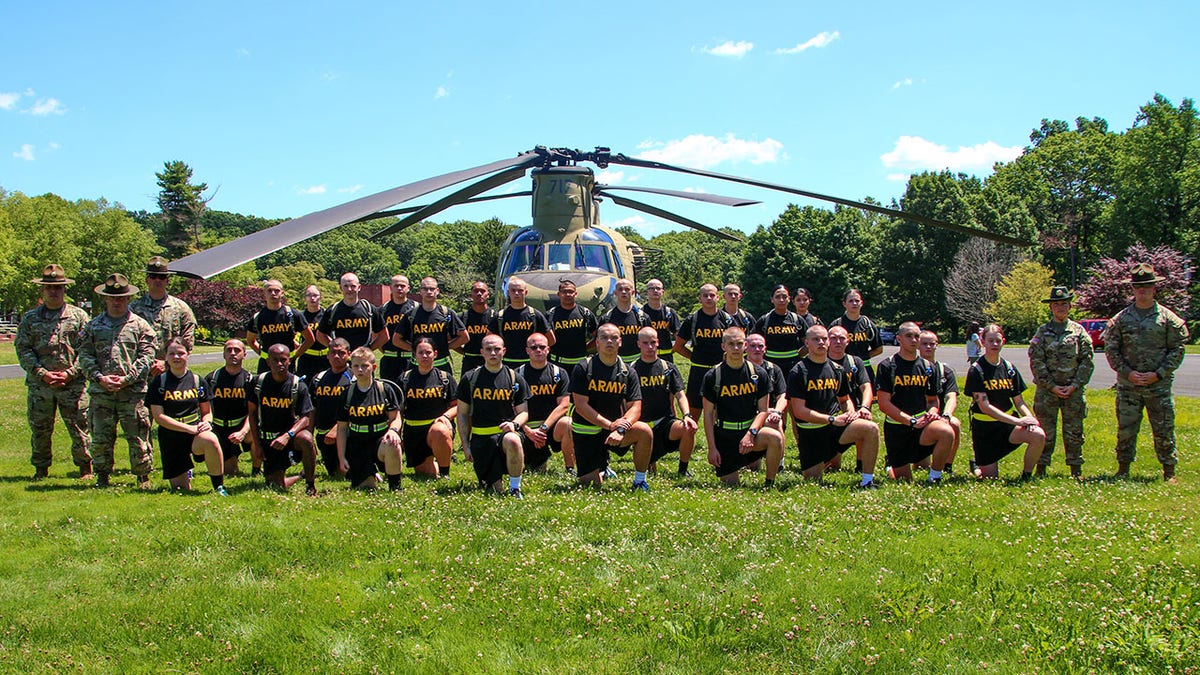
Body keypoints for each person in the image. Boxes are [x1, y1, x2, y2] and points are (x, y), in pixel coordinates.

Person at [1105, 263, 1189, 482]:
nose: (1142, 290)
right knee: (1126, 429)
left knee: (1163, 429)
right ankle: (1123, 469)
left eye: (1147, 286)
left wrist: (1159, 373)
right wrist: (1127, 372)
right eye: (1138, 286)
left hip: (1158, 386)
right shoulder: (1121, 319)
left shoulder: (1168, 319)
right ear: (1132, 289)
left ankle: (1169, 470)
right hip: (1128, 386)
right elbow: (1112, 349)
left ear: (1154, 288)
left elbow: (1177, 349)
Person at [78, 273, 157, 488]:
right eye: (113, 298)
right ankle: (102, 476)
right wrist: (99, 377)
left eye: (121, 298)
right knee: (101, 437)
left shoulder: (141, 326)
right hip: (101, 392)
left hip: (132, 393)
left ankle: (143, 477)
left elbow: (147, 356)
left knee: (139, 435)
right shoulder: (93, 326)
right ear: (105, 298)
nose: (117, 301)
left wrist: (127, 379)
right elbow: (84, 355)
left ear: (128, 299)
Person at [16, 264, 93, 480]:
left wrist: (71, 373)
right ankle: (41, 469)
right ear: (42, 290)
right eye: (49, 287)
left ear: (64, 289)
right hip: (41, 385)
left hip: (73, 384)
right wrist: (42, 373)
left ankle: (86, 468)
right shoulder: (31, 319)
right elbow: (23, 349)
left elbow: (87, 350)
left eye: (58, 287)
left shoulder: (79, 317)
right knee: (40, 429)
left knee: (80, 427)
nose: (53, 291)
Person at [787, 325, 880, 488]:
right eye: (816, 339)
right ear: (807, 343)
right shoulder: (798, 371)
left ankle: (867, 481)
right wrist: (831, 419)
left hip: (833, 428)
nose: (821, 342)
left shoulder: (837, 370)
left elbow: (844, 399)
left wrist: (850, 413)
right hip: (811, 433)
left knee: (871, 428)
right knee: (813, 482)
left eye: (824, 339)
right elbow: (799, 411)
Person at [570, 324, 653, 488]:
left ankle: (640, 481)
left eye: (614, 338)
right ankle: (601, 466)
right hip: (587, 429)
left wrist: (621, 429)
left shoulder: (628, 372)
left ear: (620, 342)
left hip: (616, 431)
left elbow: (636, 406)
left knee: (645, 431)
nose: (610, 341)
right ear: (597, 343)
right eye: (604, 338)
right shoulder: (584, 368)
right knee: (590, 485)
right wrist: (609, 425)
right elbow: (580, 405)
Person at [702, 327, 784, 486]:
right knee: (731, 485)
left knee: (775, 437)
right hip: (725, 436)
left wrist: (751, 433)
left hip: (750, 432)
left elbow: (763, 411)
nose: (736, 348)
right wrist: (712, 448)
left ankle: (769, 483)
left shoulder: (758, 374)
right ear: (723, 346)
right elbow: (708, 414)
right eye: (731, 344)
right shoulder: (713, 376)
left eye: (739, 344)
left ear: (745, 345)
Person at [875, 323, 956, 483]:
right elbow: (884, 404)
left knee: (947, 431)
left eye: (917, 336)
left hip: (922, 426)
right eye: (909, 336)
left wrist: (932, 413)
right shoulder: (888, 366)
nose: (914, 340)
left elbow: (933, 400)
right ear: (898, 339)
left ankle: (935, 477)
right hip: (897, 428)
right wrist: (911, 421)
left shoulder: (927, 367)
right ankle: (891, 466)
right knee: (903, 480)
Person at [1027, 286, 1094, 478]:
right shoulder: (1042, 332)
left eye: (1064, 303)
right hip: (1048, 392)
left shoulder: (1079, 331)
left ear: (1070, 306)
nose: (1060, 307)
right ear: (1051, 308)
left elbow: (1087, 361)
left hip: (1073, 391)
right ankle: (1041, 468)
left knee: (1074, 432)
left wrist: (1075, 385)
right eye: (1057, 304)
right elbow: (1036, 361)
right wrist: (1051, 386)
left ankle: (1075, 469)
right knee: (1044, 431)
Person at [146, 339, 227, 495]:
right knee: (180, 490)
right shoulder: (159, 382)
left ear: (188, 354)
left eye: (181, 353)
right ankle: (186, 470)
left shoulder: (197, 380)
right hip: (171, 436)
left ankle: (219, 487)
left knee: (211, 439)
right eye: (172, 354)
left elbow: (207, 412)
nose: (176, 357)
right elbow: (159, 417)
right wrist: (188, 428)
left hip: (195, 435)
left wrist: (207, 423)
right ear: (166, 357)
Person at [964, 324, 1045, 480]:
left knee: (1038, 435)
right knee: (989, 479)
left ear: (1003, 342)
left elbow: (1019, 401)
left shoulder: (1009, 368)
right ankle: (976, 467)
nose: (994, 344)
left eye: (998, 341)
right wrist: (1018, 420)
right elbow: (985, 407)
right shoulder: (977, 370)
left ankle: (1026, 476)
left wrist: (1029, 419)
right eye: (990, 340)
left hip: (1008, 426)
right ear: (983, 341)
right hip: (985, 430)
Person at [456, 334, 530, 497]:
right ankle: (494, 479)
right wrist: (466, 445)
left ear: (504, 351)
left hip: (505, 434)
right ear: (482, 352)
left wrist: (514, 425)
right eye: (488, 349)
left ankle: (515, 488)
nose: (493, 353)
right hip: (481, 439)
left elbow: (523, 412)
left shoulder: (514, 378)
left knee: (513, 439)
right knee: (494, 489)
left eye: (497, 349)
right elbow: (461, 413)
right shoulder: (470, 378)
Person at [248, 344, 319, 494]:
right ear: (268, 362)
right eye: (275, 360)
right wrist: (258, 445)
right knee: (275, 485)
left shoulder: (298, 385)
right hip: (270, 440)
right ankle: (301, 475)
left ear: (289, 361)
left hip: (291, 438)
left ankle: (310, 484)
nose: (279, 364)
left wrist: (288, 435)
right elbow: (252, 415)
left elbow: (306, 417)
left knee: (306, 438)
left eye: (283, 360)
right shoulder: (257, 383)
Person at [337, 346, 404, 490]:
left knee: (393, 444)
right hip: (357, 445)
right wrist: (341, 457)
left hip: (380, 441)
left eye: (364, 366)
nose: (360, 370)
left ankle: (395, 486)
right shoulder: (347, 394)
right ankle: (370, 474)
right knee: (366, 487)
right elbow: (342, 429)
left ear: (373, 367)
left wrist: (393, 430)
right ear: (351, 367)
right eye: (356, 366)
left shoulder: (384, 389)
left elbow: (396, 417)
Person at [633, 327, 697, 477]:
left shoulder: (668, 368)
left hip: (664, 421)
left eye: (653, 342)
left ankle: (683, 469)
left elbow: (680, 395)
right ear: (638, 344)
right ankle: (647, 463)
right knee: (646, 465)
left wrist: (687, 415)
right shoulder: (632, 370)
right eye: (645, 343)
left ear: (658, 343)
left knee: (689, 428)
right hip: (641, 424)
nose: (650, 347)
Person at [399, 338, 459, 478]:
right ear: (414, 355)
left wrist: (446, 417)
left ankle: (445, 473)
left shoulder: (445, 378)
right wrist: (398, 432)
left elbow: (457, 406)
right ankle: (434, 462)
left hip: (436, 428)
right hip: (413, 431)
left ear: (435, 354)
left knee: (440, 431)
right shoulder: (405, 379)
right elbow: (399, 411)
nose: (424, 356)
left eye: (428, 352)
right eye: (420, 353)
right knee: (427, 473)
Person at [130, 256, 197, 377]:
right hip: (140, 375)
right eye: (153, 276)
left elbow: (187, 342)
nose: (157, 280)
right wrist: (147, 364)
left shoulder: (182, 308)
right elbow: (128, 341)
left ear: (167, 281)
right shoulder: (133, 309)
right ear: (147, 280)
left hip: (172, 373)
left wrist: (166, 363)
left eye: (161, 277)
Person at [517, 332, 574, 473]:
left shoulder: (559, 373)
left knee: (568, 424)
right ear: (527, 350)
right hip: (526, 429)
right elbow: (512, 408)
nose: (538, 350)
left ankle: (570, 468)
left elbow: (564, 405)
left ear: (548, 349)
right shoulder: (518, 374)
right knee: (532, 469)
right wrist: (529, 432)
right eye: (534, 347)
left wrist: (543, 429)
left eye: (542, 347)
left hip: (549, 428)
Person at [674, 284, 733, 414]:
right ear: (700, 298)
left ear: (718, 297)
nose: (709, 298)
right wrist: (694, 357)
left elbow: (734, 344)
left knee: (721, 411)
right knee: (694, 411)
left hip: (721, 370)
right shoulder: (692, 320)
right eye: (705, 295)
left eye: (712, 295)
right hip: (698, 371)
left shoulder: (727, 319)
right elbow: (678, 346)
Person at [394, 277, 468, 375]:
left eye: (432, 289)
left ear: (437, 291)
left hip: (441, 365)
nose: (429, 292)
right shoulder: (411, 315)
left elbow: (464, 337)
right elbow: (396, 340)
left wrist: (446, 347)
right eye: (425, 289)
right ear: (420, 291)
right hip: (417, 366)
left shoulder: (446, 313)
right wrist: (414, 349)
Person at [826, 324, 874, 472]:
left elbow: (866, 387)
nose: (838, 342)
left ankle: (861, 465)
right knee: (832, 467)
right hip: (829, 412)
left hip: (852, 409)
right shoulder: (819, 363)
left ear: (848, 341)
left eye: (842, 338)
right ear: (827, 341)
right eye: (833, 338)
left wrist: (864, 407)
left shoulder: (855, 362)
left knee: (864, 422)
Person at [204, 338, 254, 476]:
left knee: (257, 434)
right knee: (230, 472)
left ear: (244, 354)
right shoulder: (212, 378)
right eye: (229, 350)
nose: (233, 353)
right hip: (219, 428)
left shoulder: (250, 380)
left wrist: (243, 432)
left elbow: (253, 412)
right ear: (223, 354)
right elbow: (204, 407)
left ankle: (256, 469)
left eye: (237, 350)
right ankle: (230, 457)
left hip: (241, 425)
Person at [245, 279, 315, 374]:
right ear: (264, 293)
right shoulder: (258, 317)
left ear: (282, 293)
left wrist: (294, 356)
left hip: (287, 364)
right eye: (269, 291)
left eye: (276, 291)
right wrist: (262, 354)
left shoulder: (293, 315)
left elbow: (310, 339)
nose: (273, 293)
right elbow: (250, 340)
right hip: (266, 364)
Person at [918, 329, 963, 474]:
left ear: (937, 345)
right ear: (918, 345)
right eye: (924, 344)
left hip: (939, 417)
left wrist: (946, 415)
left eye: (932, 344)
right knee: (921, 467)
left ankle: (946, 465)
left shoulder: (945, 371)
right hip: (917, 418)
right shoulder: (911, 368)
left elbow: (951, 397)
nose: (928, 347)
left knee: (954, 423)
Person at [307, 338, 353, 479]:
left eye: (341, 353)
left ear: (349, 354)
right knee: (334, 474)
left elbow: (355, 410)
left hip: (347, 434)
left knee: (347, 474)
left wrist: (336, 431)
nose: (336, 356)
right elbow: (312, 409)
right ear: (327, 355)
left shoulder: (354, 378)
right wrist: (309, 436)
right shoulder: (318, 379)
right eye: (332, 353)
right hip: (323, 436)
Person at [489, 276, 554, 368]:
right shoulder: (500, 316)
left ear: (526, 292)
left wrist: (536, 352)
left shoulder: (535, 315)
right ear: (508, 292)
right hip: (506, 363)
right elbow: (488, 340)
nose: (516, 293)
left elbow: (551, 340)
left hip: (530, 364)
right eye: (513, 290)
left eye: (520, 290)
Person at [316, 272, 386, 355]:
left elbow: (384, 335)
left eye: (353, 286)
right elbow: (320, 335)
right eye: (346, 286)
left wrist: (368, 349)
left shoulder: (369, 309)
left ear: (359, 287)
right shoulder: (333, 310)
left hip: (362, 359)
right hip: (341, 360)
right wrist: (336, 349)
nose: (349, 289)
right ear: (341, 288)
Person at [744, 332, 789, 449]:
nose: (757, 349)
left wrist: (777, 412)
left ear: (765, 349)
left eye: (760, 346)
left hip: (769, 413)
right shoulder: (739, 368)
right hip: (745, 415)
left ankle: (780, 463)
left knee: (775, 423)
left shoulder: (774, 369)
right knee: (754, 467)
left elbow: (783, 395)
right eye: (753, 346)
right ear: (745, 347)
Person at [832, 289, 883, 385]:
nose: (854, 303)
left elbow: (879, 349)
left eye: (857, 301)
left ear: (862, 303)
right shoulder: (837, 325)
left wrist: (863, 357)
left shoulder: (868, 325)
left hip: (864, 368)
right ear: (844, 304)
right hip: (842, 368)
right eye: (851, 301)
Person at [546, 279, 598, 370]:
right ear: (558, 294)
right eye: (564, 292)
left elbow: (598, 336)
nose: (568, 295)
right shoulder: (550, 315)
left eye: (571, 292)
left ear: (575, 294)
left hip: (580, 365)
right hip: (557, 364)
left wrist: (587, 348)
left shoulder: (586, 313)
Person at [753, 284, 804, 376]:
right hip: (770, 366)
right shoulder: (765, 320)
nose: (781, 300)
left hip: (793, 366)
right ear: (772, 299)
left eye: (784, 297)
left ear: (789, 299)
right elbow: (752, 341)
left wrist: (799, 355)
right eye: (777, 297)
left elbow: (809, 342)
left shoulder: (797, 319)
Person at [598, 279, 649, 363]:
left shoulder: (643, 317)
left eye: (627, 289)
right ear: (615, 293)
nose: (624, 292)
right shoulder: (607, 318)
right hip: (615, 363)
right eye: (620, 289)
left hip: (639, 363)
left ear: (633, 293)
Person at [377, 274, 417, 382]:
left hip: (411, 359)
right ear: (390, 287)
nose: (399, 288)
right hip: (389, 360)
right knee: (389, 393)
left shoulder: (416, 308)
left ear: (408, 288)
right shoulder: (382, 310)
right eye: (396, 286)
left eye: (402, 286)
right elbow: (377, 335)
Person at [457, 281, 497, 375]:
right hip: (469, 361)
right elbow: (449, 339)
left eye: (482, 291)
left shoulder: (496, 317)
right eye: (476, 291)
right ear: (471, 294)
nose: (479, 294)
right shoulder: (462, 317)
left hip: (491, 360)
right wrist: (464, 351)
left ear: (488, 294)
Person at [295, 285, 329, 383]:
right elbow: (294, 336)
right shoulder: (300, 316)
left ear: (320, 297)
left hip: (326, 359)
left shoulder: (327, 315)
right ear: (305, 298)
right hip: (306, 359)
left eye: (315, 295)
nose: (312, 298)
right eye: (309, 295)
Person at [642, 279, 680, 364]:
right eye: (652, 288)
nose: (655, 290)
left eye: (658, 288)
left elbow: (678, 335)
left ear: (663, 291)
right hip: (646, 356)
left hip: (666, 357)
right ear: (647, 292)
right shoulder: (641, 313)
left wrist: (676, 348)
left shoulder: (669, 312)